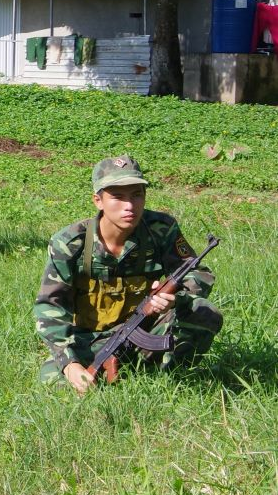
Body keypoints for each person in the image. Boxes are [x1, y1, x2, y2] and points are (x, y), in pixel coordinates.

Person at [35, 156, 222, 394]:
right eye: (117, 196)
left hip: (145, 330)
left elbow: (197, 273)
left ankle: (169, 382)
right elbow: (48, 308)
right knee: (54, 382)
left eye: (137, 194)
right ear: (98, 200)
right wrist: (70, 364)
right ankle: (116, 373)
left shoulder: (160, 229)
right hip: (88, 340)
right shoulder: (70, 243)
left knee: (203, 312)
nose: (129, 205)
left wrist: (176, 298)